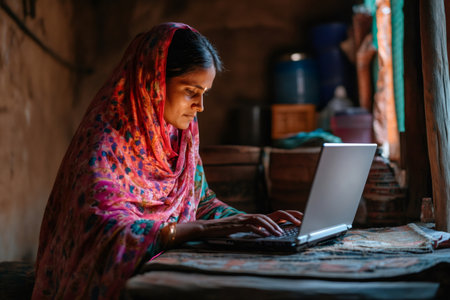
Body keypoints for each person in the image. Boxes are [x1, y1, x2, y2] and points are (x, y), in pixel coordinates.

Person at [32, 22, 303, 299]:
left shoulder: (178, 137)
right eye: (190, 91)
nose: (200, 107)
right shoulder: (105, 145)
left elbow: (202, 203)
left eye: (204, 93)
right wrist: (194, 229)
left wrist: (254, 222)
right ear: (153, 83)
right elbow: (104, 233)